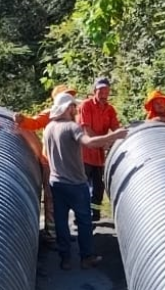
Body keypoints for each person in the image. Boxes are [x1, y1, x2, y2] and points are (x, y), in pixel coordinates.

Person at [44, 93, 127, 270]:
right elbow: (88, 142)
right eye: (74, 106)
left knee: (61, 221)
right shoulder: (71, 127)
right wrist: (114, 136)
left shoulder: (49, 127)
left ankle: (65, 258)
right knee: (84, 221)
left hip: (56, 182)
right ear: (67, 109)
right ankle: (86, 257)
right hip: (75, 183)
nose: (76, 109)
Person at [13, 84, 77, 245]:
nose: (70, 98)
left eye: (71, 95)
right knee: (51, 197)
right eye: (66, 95)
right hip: (50, 162)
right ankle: (52, 234)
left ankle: (62, 231)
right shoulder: (50, 113)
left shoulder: (74, 113)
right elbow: (34, 123)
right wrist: (22, 119)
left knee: (65, 197)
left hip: (67, 162)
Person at [77, 77, 120, 221]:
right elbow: (87, 131)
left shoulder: (110, 109)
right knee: (82, 186)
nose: (103, 94)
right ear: (94, 91)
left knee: (98, 188)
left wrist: (118, 138)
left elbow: (116, 129)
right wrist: (106, 142)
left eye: (106, 91)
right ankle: (81, 215)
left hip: (99, 156)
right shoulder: (86, 106)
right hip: (84, 153)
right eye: (100, 91)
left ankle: (94, 215)